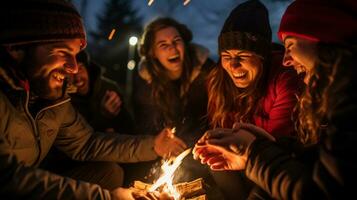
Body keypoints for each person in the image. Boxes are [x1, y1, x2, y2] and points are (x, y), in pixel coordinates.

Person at [0, 0, 186, 199]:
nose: (73, 68)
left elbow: (87, 143)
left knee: (109, 172)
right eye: (63, 52)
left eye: (75, 55)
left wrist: (153, 146)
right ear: (16, 48)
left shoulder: (51, 97)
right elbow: (7, 177)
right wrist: (107, 198)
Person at [193, 0, 357, 199]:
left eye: (290, 45)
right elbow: (313, 159)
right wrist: (260, 144)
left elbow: (321, 192)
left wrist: (253, 150)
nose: (287, 59)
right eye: (226, 55)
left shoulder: (347, 98)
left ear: (323, 37)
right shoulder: (337, 95)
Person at [205, 1, 302, 199]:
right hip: (239, 164)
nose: (232, 64)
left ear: (262, 57)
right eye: (226, 55)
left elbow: (279, 142)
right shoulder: (219, 82)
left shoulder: (285, 78)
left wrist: (238, 140)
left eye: (242, 55)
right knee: (214, 163)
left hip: (277, 163)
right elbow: (222, 133)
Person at [128, 17, 214, 185]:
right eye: (163, 45)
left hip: (202, 142)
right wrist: (166, 142)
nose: (173, 48)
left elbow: (214, 112)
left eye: (177, 41)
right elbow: (145, 121)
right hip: (162, 148)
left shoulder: (206, 69)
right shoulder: (145, 80)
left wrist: (189, 144)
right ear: (153, 53)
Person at [72, 50, 135, 134]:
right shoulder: (64, 101)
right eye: (71, 72)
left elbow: (131, 128)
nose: (77, 77)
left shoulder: (109, 88)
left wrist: (117, 114)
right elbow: (76, 138)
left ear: (88, 69)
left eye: (80, 68)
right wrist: (103, 116)